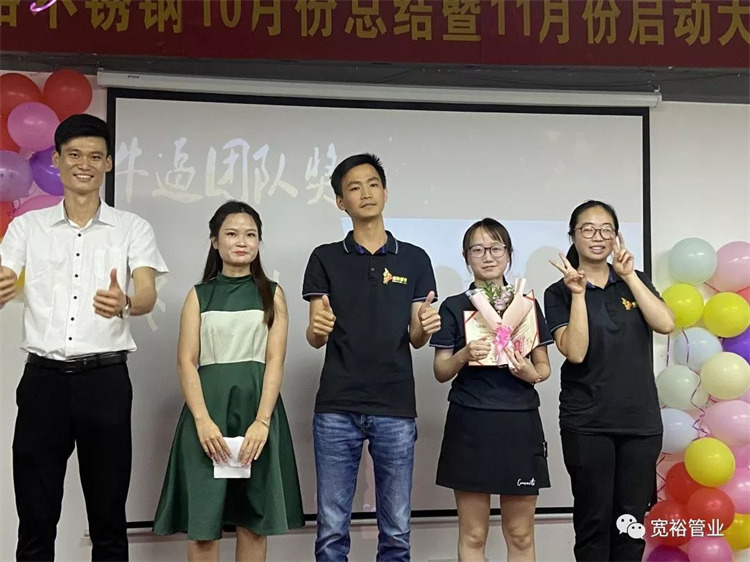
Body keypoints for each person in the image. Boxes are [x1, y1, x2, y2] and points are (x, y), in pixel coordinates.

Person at [0, 114, 168, 561]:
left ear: (109, 163)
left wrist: (126, 301)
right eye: (74, 155)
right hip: (43, 383)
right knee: (35, 519)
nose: (84, 165)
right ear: (56, 160)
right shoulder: (27, 228)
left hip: (104, 382)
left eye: (95, 156)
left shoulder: (132, 227)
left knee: (108, 517)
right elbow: (4, 275)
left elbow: (147, 293)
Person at [302, 153, 440, 562]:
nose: (366, 193)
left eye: (373, 184)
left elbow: (416, 338)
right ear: (340, 201)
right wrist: (317, 328)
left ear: (385, 192)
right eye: (354, 187)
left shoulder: (414, 258)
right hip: (337, 405)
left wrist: (425, 326)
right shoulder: (325, 257)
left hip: (394, 405)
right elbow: (315, 336)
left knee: (396, 530)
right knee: (331, 530)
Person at [153, 201, 304, 561]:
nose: (242, 241)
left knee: (253, 521)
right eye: (232, 234)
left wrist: (262, 422)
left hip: (258, 413)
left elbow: (275, 360)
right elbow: (186, 362)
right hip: (207, 414)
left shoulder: (273, 293)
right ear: (214, 241)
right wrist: (202, 421)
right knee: (204, 523)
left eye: (250, 235)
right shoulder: (199, 295)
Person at [544, 200, 675, 562]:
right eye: (588, 229)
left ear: (616, 236)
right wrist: (578, 295)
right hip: (587, 423)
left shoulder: (635, 280)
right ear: (573, 235)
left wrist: (629, 276)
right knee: (594, 523)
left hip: (639, 422)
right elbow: (575, 352)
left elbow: (666, 323)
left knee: (630, 525)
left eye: (606, 229)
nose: (598, 236)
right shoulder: (558, 292)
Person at [430, 218, 553, 562]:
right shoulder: (454, 306)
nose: (488, 256)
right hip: (471, 423)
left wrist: (530, 373)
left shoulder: (527, 304)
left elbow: (543, 368)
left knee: (520, 534)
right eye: (478, 249)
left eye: (496, 248)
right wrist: (464, 355)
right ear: (466, 257)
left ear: (509, 254)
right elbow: (440, 370)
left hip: (519, 424)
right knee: (473, 534)